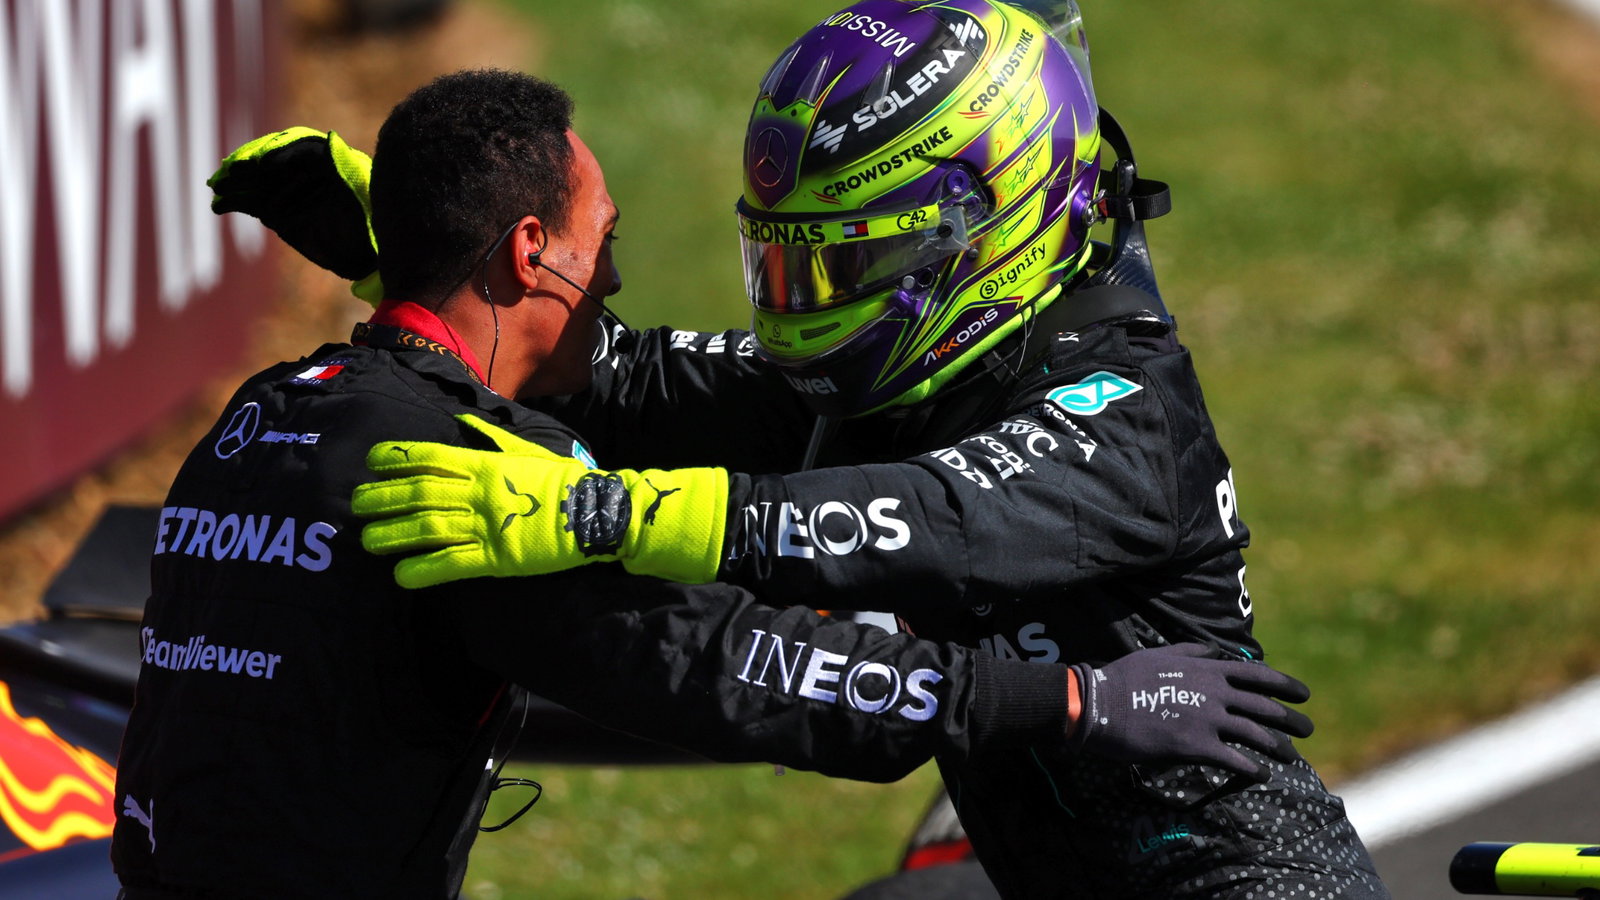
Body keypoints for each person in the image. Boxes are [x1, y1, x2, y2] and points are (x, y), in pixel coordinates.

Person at [111, 68, 1318, 900]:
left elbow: (924, 515)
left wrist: (434, 265)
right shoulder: (462, 483)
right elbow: (730, 667)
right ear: (531, 250)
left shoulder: (263, 414)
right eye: (605, 241)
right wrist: (1068, 703)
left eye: (847, 256)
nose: (617, 278)